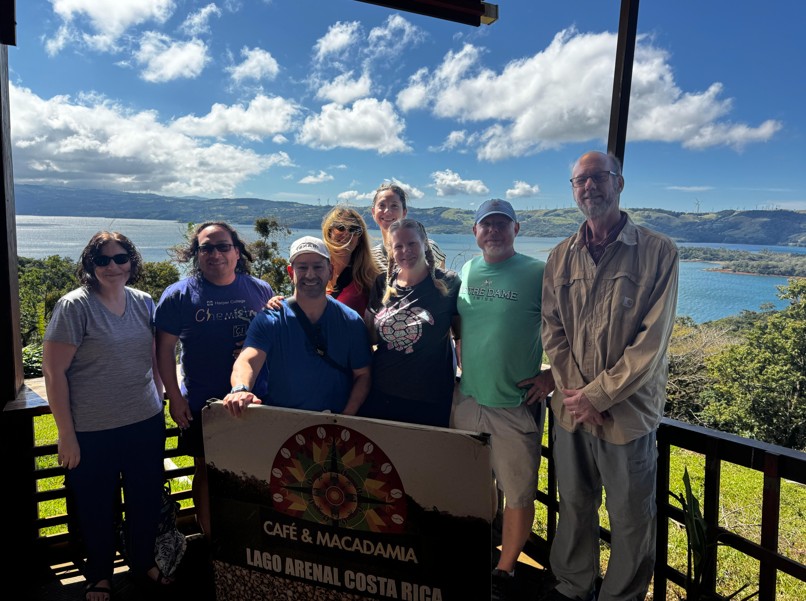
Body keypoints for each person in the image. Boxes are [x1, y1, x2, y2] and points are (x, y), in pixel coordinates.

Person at [541, 151, 679, 601]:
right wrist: (579, 398)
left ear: (619, 183)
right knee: (575, 508)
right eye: (580, 181)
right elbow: (552, 330)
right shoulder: (560, 256)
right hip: (570, 413)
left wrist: (598, 396)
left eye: (599, 178)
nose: (589, 187)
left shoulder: (658, 252)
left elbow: (651, 342)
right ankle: (571, 588)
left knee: (630, 517)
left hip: (627, 415)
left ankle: (620, 597)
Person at [43, 232, 169, 601]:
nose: (113, 266)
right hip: (92, 429)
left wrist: (160, 397)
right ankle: (99, 574)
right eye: (103, 260)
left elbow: (153, 358)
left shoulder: (144, 302)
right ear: (90, 265)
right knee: (97, 504)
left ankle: (143, 562)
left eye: (120, 258)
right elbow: (54, 373)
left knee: (144, 499)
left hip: (144, 421)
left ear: (132, 261)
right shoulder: (75, 306)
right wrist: (66, 434)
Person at [449, 199, 555, 599]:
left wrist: (553, 375)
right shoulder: (469, 270)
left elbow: (569, 326)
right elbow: (460, 325)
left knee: (518, 491)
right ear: (474, 232)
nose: (492, 231)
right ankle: (479, 554)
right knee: (475, 485)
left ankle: (505, 572)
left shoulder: (536, 272)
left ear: (516, 229)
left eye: (501, 224)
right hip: (469, 397)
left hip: (514, 403)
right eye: (485, 225)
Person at [155, 222, 274, 538]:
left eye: (223, 246)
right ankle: (213, 541)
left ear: (237, 252)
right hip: (202, 403)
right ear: (196, 254)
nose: (215, 254)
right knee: (206, 471)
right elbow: (164, 349)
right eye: (206, 247)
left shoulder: (260, 290)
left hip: (254, 400)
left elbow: (276, 339)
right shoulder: (178, 295)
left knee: (253, 471)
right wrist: (174, 398)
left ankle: (250, 538)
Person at [222, 236, 371, 417]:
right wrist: (240, 388)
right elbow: (248, 360)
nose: (310, 274)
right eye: (302, 267)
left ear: (330, 271)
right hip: (283, 422)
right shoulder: (271, 318)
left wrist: (347, 417)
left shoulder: (350, 321)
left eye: (317, 267)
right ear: (291, 272)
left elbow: (362, 375)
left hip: (334, 423)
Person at [360, 219, 460, 427]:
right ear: (391, 250)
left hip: (431, 397)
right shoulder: (381, 284)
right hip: (382, 392)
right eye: (398, 246)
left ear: (424, 243)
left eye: (412, 244)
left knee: (424, 458)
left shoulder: (448, 283)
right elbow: (369, 336)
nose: (406, 251)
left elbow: (461, 335)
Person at [267, 206, 381, 316]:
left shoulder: (370, 280)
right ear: (329, 232)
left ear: (360, 239)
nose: (347, 233)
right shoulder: (312, 272)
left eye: (354, 229)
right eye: (340, 227)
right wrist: (279, 303)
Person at [370, 182, 447, 270]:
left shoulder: (427, 247)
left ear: (404, 212)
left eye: (394, 206)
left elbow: (443, 279)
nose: (387, 211)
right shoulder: (371, 258)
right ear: (373, 212)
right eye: (382, 205)